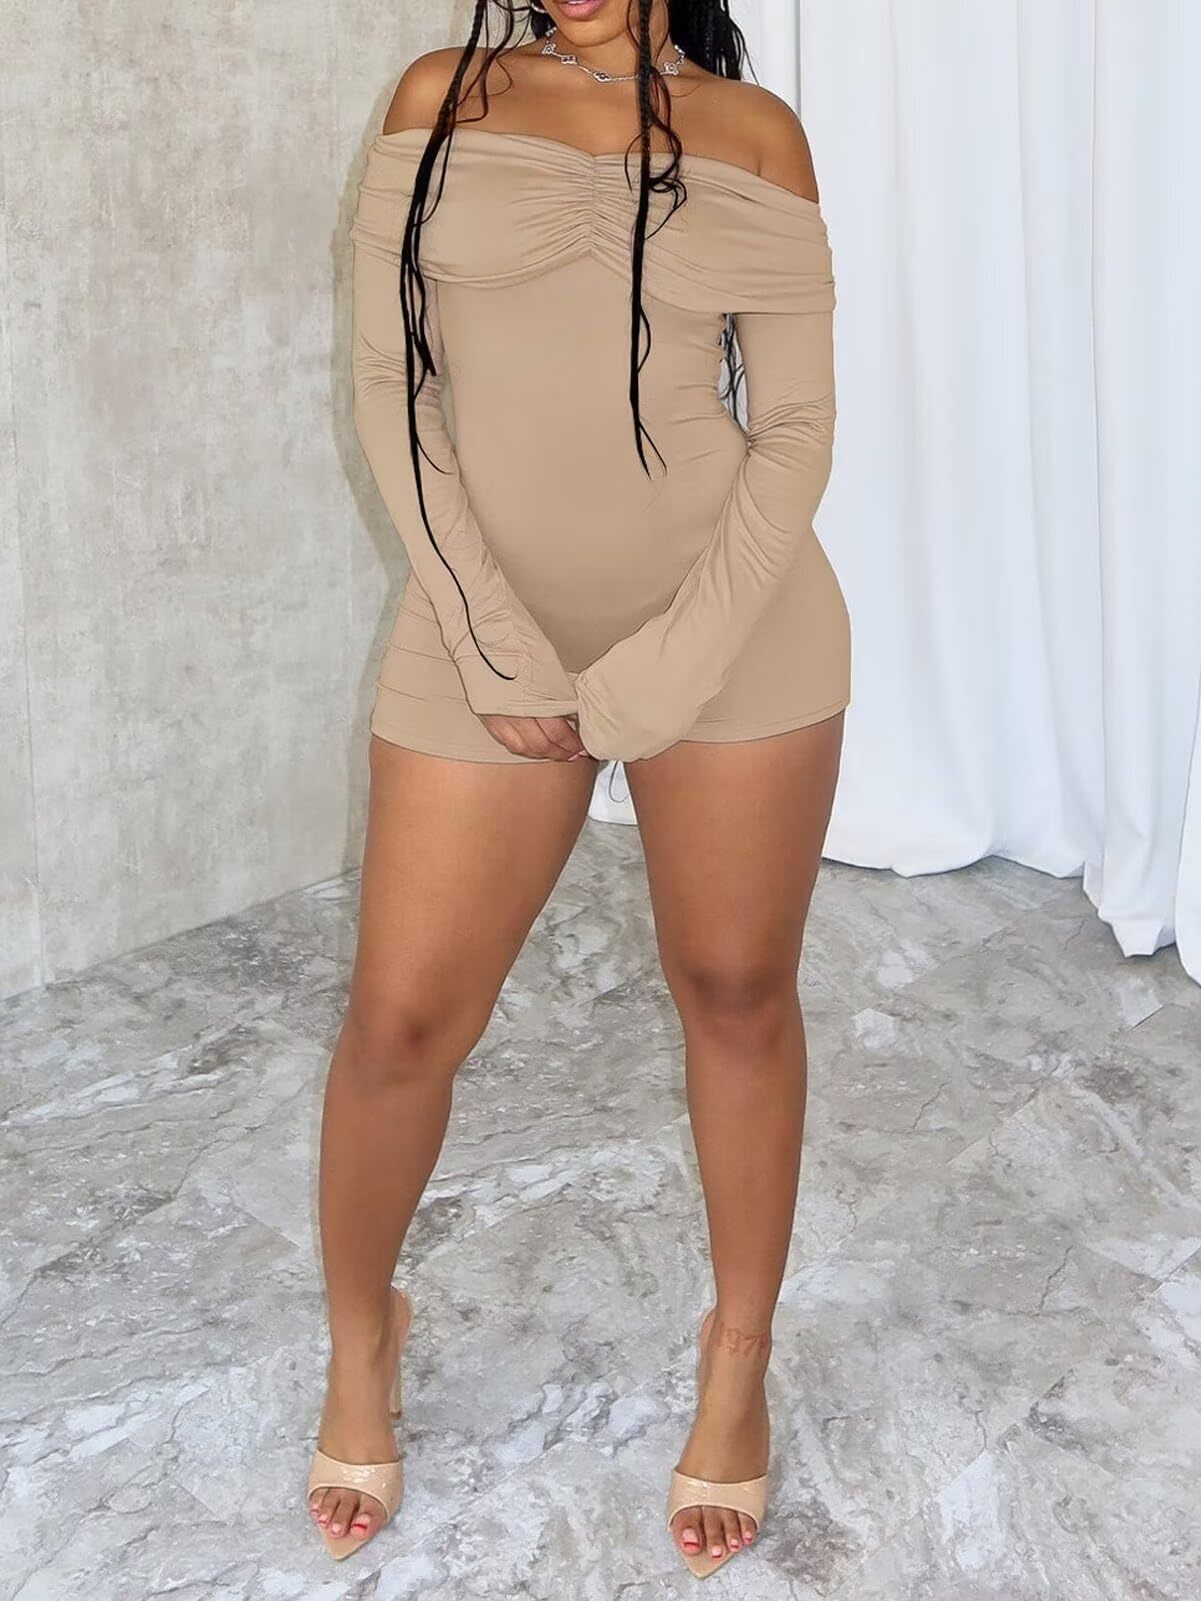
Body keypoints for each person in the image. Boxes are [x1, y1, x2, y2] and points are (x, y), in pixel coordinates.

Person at [308, 0, 850, 1579]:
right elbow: (388, 380)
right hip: (481, 627)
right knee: (400, 1022)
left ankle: (736, 1359)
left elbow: (793, 429)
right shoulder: (440, 95)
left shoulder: (754, 134)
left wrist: (661, 676)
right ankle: (362, 1335)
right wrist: (491, 637)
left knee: (736, 990)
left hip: (732, 628)